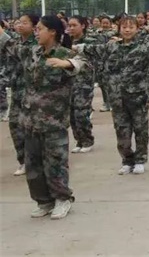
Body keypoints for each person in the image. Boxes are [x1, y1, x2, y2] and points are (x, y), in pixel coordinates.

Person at [0, 16, 85, 220]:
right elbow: (9, 43)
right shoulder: (32, 53)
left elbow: (85, 64)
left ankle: (62, 199)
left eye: (40, 29)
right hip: (30, 119)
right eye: (36, 29)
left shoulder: (65, 53)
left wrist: (67, 63)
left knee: (55, 163)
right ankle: (43, 201)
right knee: (33, 164)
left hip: (53, 121)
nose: (36, 32)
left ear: (53, 32)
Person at [75, 16, 149, 175]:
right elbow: (93, 49)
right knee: (122, 131)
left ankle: (140, 160)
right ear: (119, 29)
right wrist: (74, 47)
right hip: (117, 98)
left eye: (131, 27)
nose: (127, 30)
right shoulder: (112, 47)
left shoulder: (143, 47)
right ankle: (127, 160)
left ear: (137, 29)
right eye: (124, 27)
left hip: (138, 97)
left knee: (140, 129)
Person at [5, 14, 40, 176]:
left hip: (32, 93)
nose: (19, 25)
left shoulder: (37, 44)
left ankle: (36, 160)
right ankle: (23, 161)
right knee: (14, 125)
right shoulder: (16, 42)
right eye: (18, 22)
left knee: (32, 128)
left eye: (24, 23)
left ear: (34, 26)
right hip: (17, 92)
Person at [65, 16, 98, 154]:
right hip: (69, 82)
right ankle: (79, 140)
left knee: (81, 112)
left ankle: (87, 140)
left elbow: (92, 59)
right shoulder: (66, 41)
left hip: (84, 81)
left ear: (83, 26)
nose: (71, 28)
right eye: (69, 25)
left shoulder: (89, 42)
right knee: (71, 113)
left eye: (74, 25)